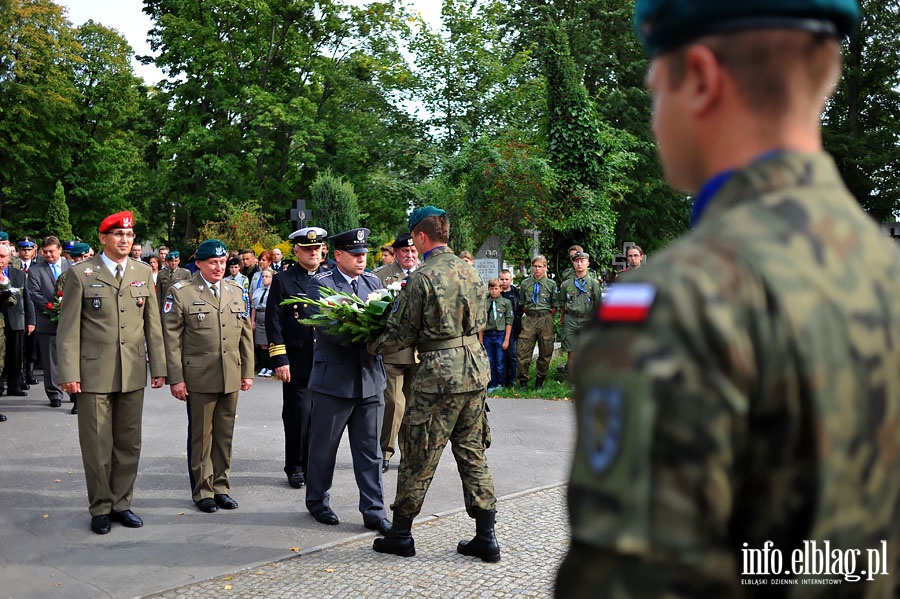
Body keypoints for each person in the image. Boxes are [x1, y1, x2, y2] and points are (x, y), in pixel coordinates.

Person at [555, 1, 900, 596]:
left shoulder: (679, 300)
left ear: (702, 78)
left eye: (655, 86)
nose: (655, 113)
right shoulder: (884, 268)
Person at [369, 206, 498, 562]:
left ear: (421, 236)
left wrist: (368, 343)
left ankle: (401, 534)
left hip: (438, 377)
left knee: (417, 454)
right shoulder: (470, 272)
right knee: (473, 454)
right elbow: (483, 318)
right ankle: (486, 537)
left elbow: (401, 332)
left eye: (413, 237)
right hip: (474, 371)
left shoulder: (423, 277)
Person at [58, 211, 166, 535]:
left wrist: (159, 367)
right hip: (93, 373)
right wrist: (69, 372)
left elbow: (153, 326)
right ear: (103, 238)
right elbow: (68, 331)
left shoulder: (143, 272)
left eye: (129, 235)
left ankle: (122, 503)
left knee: (129, 443)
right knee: (97, 444)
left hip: (132, 371)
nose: (125, 240)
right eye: (118, 234)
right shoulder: (81, 274)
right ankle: (100, 507)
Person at [304, 227, 391, 536]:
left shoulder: (374, 283)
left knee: (370, 451)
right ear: (337, 255)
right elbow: (329, 328)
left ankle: (374, 510)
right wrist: (371, 335)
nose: (361, 259)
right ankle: (317, 501)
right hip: (334, 382)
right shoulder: (322, 285)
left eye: (364, 254)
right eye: (355, 255)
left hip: (369, 380)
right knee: (324, 448)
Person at [162, 239, 253, 514]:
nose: (219, 267)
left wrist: (247, 371)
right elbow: (172, 339)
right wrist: (176, 378)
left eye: (222, 262)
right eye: (213, 262)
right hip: (198, 375)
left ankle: (222, 486)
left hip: (231, 373)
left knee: (225, 434)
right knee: (202, 435)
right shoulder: (182, 292)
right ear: (199, 263)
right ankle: (203, 490)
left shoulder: (236, 290)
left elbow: (245, 335)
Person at [265, 226, 328, 489]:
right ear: (296, 251)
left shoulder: (332, 275)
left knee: (323, 418)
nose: (313, 253)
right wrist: (280, 359)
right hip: (298, 359)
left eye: (317, 249)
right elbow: (274, 321)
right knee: (298, 416)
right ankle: (295, 466)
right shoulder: (285, 280)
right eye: (308, 249)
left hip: (327, 360)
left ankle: (315, 465)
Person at [372, 232, 418, 473]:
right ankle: (385, 451)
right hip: (393, 350)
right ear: (397, 253)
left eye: (412, 251)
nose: (409, 255)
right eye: (404, 251)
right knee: (393, 402)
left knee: (415, 405)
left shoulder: (426, 273)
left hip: (421, 351)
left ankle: (410, 453)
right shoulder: (382, 276)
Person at [27, 236, 69, 408]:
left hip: (71, 320)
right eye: (45, 252)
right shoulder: (36, 270)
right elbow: (34, 293)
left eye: (52, 251)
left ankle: (74, 393)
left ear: (59, 249)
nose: (48, 255)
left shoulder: (71, 266)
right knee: (50, 360)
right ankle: (54, 394)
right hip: (47, 319)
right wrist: (52, 306)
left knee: (70, 357)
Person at [55, 242, 92, 414]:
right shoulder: (66, 275)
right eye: (80, 257)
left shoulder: (95, 274)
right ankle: (76, 400)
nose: (84, 260)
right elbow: (60, 297)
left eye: (87, 257)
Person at [556, 252, 602, 379]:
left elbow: (599, 304)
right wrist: (563, 318)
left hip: (588, 319)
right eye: (577, 261)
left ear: (588, 263)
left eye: (582, 261)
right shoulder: (566, 284)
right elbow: (562, 303)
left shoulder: (594, 284)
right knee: (572, 354)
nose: (579, 264)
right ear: (573, 263)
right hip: (571, 319)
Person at [516, 255, 557, 389]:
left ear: (545, 267)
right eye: (535, 266)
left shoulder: (551, 284)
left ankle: (540, 380)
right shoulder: (525, 283)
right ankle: (523, 382)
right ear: (532, 267)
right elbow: (522, 302)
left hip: (545, 318)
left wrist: (546, 317)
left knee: (546, 351)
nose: (537, 269)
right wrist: (530, 314)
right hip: (530, 318)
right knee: (523, 350)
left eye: (540, 266)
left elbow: (555, 305)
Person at [0, 244, 34, 397]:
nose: (0, 260)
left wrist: (30, 320)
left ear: (9, 258)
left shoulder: (18, 274)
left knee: (16, 355)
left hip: (16, 319)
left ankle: (14, 385)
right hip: (1, 320)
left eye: (2, 256)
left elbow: (28, 299)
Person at [478, 277, 513, 392]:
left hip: (500, 335)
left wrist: (506, 339)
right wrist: (480, 339)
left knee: (500, 362)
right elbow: (480, 321)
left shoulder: (506, 303)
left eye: (496, 288)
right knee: (490, 362)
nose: (494, 291)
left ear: (501, 289)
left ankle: (501, 384)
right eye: (491, 289)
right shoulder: (484, 302)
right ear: (488, 289)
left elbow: (509, 321)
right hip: (488, 335)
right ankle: (491, 384)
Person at [498, 269, 521, 386]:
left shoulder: (516, 293)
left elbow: (520, 309)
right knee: (501, 355)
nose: (504, 282)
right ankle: (502, 380)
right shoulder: (497, 293)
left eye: (507, 279)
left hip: (513, 328)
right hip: (499, 328)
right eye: (502, 279)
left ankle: (513, 380)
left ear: (511, 280)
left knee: (512, 354)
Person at [250, 268, 273, 377]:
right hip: (259, 316)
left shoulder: (274, 290)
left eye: (267, 276)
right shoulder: (258, 290)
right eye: (263, 276)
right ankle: (264, 366)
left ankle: (270, 367)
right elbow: (254, 307)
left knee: (270, 343)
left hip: (269, 316)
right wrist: (252, 321)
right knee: (262, 344)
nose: (264, 278)